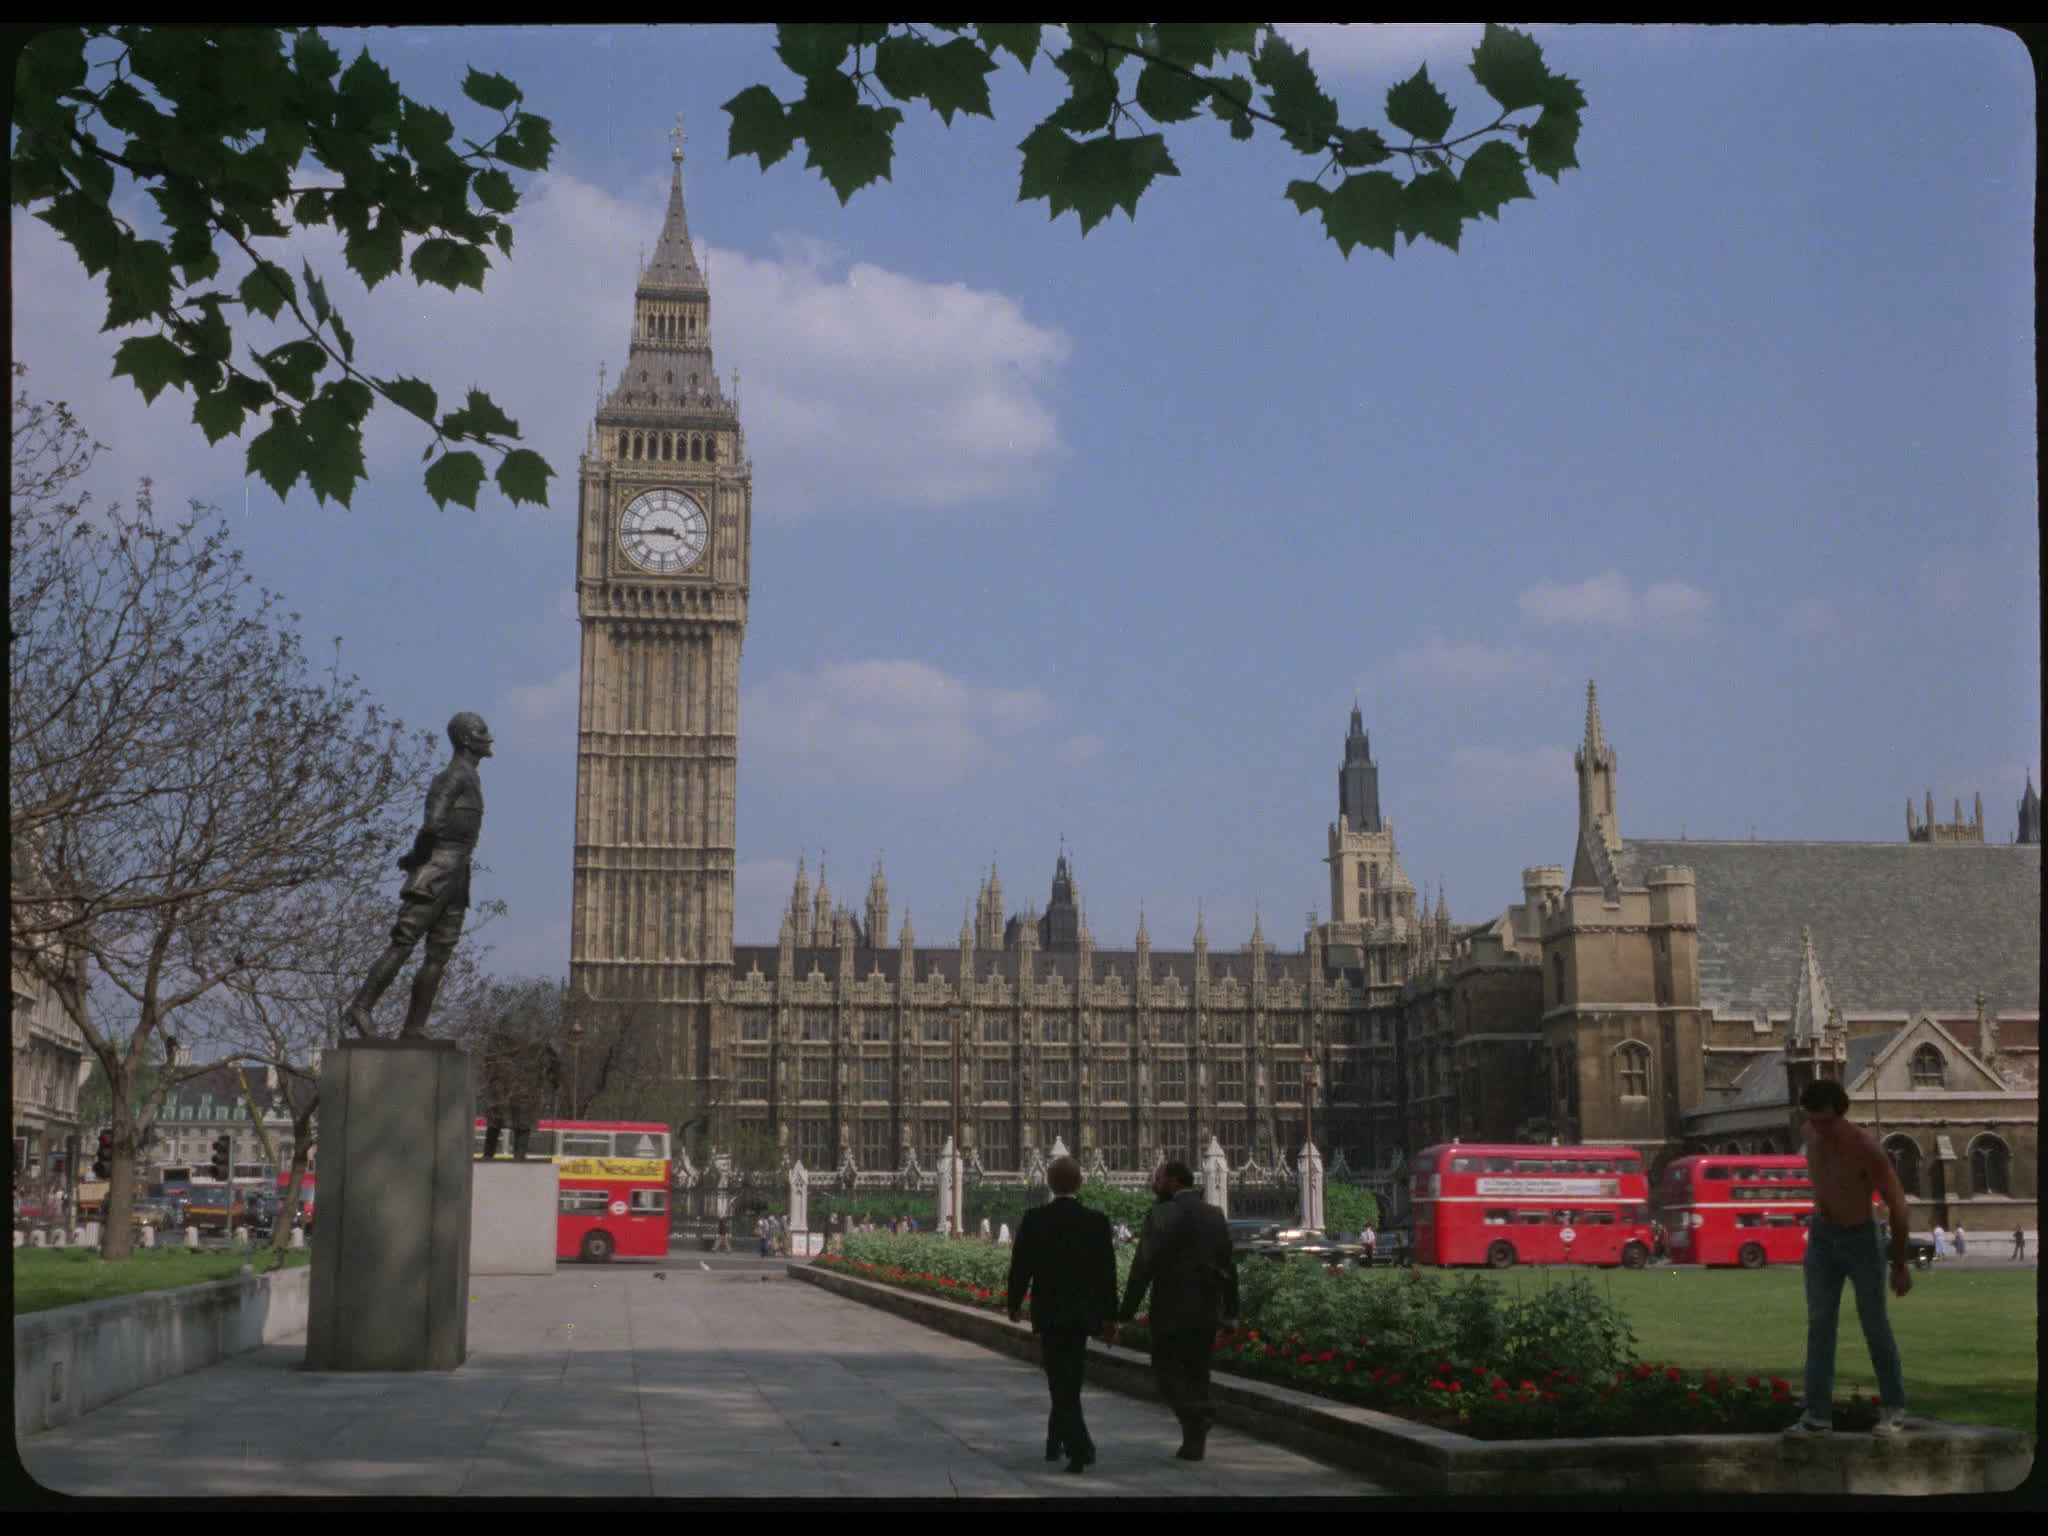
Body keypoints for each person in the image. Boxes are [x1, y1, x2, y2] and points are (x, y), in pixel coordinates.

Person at [343, 712, 492, 1038]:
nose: (489, 738)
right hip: (438, 869)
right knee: (404, 943)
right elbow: (432, 824)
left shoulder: (471, 777)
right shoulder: (452, 777)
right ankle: (361, 1006)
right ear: (467, 739)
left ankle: (414, 1026)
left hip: (458, 874)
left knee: (439, 953)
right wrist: (418, 858)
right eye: (482, 732)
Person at [1784, 1078, 1911, 1439]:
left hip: (1861, 1238)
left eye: (1828, 1122)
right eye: (1815, 1121)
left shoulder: (1865, 1149)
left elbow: (1899, 1208)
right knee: (1820, 1323)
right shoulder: (1810, 1133)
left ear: (1842, 1114)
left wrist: (1899, 1264)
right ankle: (1817, 1414)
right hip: (1823, 1236)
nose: (1821, 1130)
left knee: (1874, 1323)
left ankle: (1893, 1407)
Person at [1112, 1160, 1240, 1462]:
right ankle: (1194, 1440)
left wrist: (1125, 1312)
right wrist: (1231, 1312)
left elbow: (1142, 1267)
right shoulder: (1214, 1214)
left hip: (1170, 1308)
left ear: (1172, 1181)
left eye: (1157, 1179)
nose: (1153, 1184)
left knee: (1166, 1374)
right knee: (1198, 1373)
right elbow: (1228, 1267)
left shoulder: (1160, 1214)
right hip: (1206, 1309)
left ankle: (1197, 1413)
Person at [1007, 1156, 1118, 1474]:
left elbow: (1021, 1266)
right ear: (1080, 1183)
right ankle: (1054, 1441)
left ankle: (1079, 1448)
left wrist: (1014, 1303)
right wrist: (1110, 1317)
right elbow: (1106, 1274)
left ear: (1050, 1184)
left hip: (1050, 1311)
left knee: (1060, 1382)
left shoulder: (1035, 1219)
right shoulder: (1097, 1221)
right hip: (1083, 1316)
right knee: (1069, 1380)